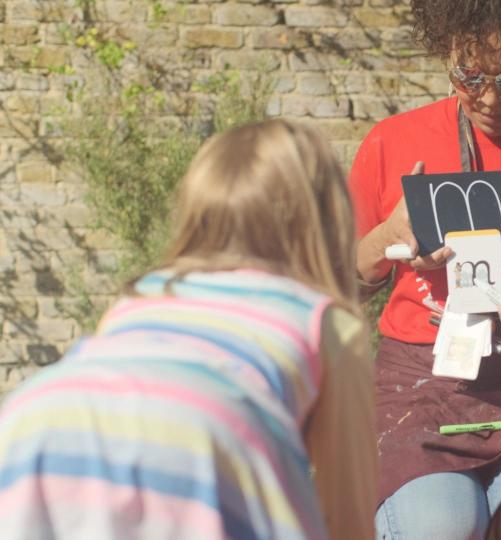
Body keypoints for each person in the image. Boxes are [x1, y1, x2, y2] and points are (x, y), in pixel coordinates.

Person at [0, 120, 377, 540]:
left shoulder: (142, 292)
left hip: (39, 411)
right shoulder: (324, 320)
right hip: (205, 431)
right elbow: (347, 510)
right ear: (326, 214)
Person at [348, 1, 501, 537]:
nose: (487, 98)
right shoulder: (393, 142)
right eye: (469, 75)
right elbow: (332, 286)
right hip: (420, 395)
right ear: (445, 52)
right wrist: (386, 237)